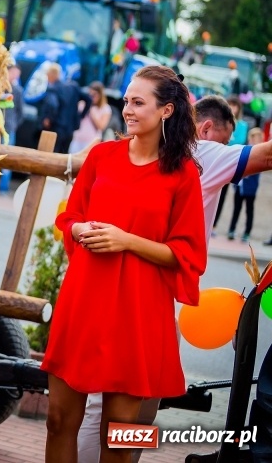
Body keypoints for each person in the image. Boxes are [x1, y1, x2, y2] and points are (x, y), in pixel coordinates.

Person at [78, 93, 272, 463]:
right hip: (141, 292)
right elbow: (266, 154)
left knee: (136, 403)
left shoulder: (147, 154)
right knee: (112, 402)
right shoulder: (204, 153)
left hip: (151, 293)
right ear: (205, 127)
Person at [44, 65, 207, 463]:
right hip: (84, 300)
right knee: (58, 419)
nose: (127, 109)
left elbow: (188, 255)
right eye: (126, 101)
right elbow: (69, 218)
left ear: (167, 110)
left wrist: (126, 241)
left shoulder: (183, 174)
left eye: (138, 102)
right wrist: (81, 227)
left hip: (138, 310)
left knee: (121, 435)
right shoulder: (101, 156)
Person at [213, 95, 248, 234]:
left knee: (224, 195)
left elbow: (240, 141)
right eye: (230, 104)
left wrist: (226, 143)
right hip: (217, 160)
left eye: (235, 105)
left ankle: (216, 225)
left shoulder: (242, 125)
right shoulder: (220, 123)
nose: (233, 108)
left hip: (231, 161)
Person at [228, 127, 263, 242]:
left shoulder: (260, 153)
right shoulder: (245, 149)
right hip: (240, 185)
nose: (252, 140)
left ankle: (247, 232)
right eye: (251, 138)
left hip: (250, 187)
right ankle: (231, 229)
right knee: (236, 209)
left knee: (249, 210)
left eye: (255, 138)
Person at [69, 81, 111, 153]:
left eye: (94, 95)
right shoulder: (82, 104)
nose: (92, 97)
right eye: (90, 94)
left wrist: (91, 110)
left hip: (91, 143)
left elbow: (101, 126)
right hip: (77, 140)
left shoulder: (105, 108)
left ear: (100, 95)